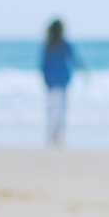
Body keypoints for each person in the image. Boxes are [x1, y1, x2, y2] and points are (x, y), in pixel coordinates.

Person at [40, 18, 84, 148]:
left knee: (51, 109)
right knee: (61, 109)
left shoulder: (48, 45)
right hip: (62, 80)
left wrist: (45, 78)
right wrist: (85, 71)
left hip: (52, 81)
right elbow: (75, 59)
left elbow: (43, 65)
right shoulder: (63, 44)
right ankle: (59, 136)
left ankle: (51, 135)